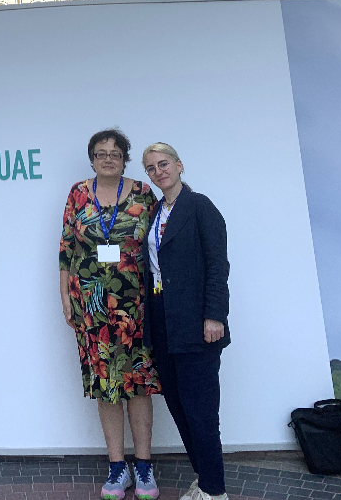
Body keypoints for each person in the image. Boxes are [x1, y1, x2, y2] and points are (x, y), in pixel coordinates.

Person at [60, 129, 162, 500]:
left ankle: (144, 466)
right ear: (91, 159)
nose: (108, 158)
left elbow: (160, 246)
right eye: (101, 153)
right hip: (91, 308)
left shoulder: (144, 194)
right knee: (107, 386)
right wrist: (65, 295)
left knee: (138, 384)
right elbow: (66, 249)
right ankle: (117, 466)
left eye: (115, 153)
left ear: (124, 159)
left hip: (136, 307)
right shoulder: (77, 193)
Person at [141, 143, 231, 500]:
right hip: (163, 322)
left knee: (201, 412)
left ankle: (215, 491)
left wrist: (215, 315)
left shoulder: (199, 206)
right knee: (179, 407)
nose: (158, 172)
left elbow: (217, 265)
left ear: (179, 165)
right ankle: (204, 478)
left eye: (163, 164)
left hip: (197, 324)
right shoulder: (154, 213)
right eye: (150, 168)